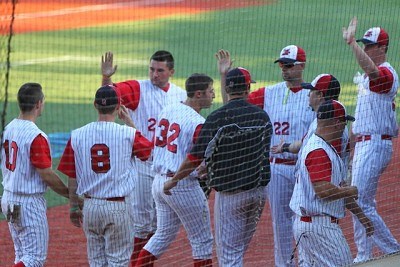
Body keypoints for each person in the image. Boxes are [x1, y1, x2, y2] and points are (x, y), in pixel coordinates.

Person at [216, 47, 315, 266]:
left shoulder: (314, 94)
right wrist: (224, 76)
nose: (284, 70)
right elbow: (232, 110)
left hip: (305, 169)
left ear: (302, 66)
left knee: (309, 222)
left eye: (288, 65)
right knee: (281, 225)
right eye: (282, 65)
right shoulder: (268, 93)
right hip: (277, 169)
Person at [164, 67, 272, 267]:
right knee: (237, 251)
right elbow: (260, 152)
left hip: (231, 196)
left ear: (227, 89)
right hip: (258, 195)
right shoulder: (262, 117)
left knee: (229, 256)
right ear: (247, 88)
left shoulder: (216, 118)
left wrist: (174, 180)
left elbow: (194, 158)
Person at [101, 50, 187, 265]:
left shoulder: (180, 95)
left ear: (171, 72)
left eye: (160, 70)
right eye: (151, 69)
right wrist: (107, 78)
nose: (154, 74)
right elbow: (106, 96)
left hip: (168, 168)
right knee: (141, 223)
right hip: (142, 167)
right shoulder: (138, 89)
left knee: (159, 224)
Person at [57, 85, 153, 266]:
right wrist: (130, 122)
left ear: (95, 105)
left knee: (96, 262)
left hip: (90, 207)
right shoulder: (127, 134)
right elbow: (147, 151)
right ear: (118, 107)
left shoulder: (77, 135)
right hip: (117, 208)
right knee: (118, 261)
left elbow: (72, 174)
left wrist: (72, 207)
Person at [135, 73, 215, 267]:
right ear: (198, 94)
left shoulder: (169, 109)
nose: (213, 95)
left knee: (162, 235)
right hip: (180, 185)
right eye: (210, 91)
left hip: (159, 182)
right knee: (202, 241)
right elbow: (194, 157)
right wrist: (186, 174)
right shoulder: (197, 123)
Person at [342, 17, 400, 262]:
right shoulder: (368, 79)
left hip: (375, 144)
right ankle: (364, 254)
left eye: (369, 45)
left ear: (382, 48)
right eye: (364, 45)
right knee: (361, 201)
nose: (366, 48)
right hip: (365, 143)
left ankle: (391, 249)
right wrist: (350, 145)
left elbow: (372, 70)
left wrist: (352, 43)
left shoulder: (386, 74)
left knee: (360, 201)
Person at [289, 99, 374, 266]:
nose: (345, 127)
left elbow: (337, 189)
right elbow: (324, 191)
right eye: (344, 122)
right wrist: (351, 191)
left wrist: (361, 216)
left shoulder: (324, 148)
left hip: (310, 224)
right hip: (320, 228)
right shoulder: (319, 151)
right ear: (336, 123)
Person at [1, 83, 69, 267]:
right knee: (34, 258)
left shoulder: (8, 128)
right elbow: (46, 173)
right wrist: (69, 193)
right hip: (28, 205)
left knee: (21, 252)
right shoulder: (35, 136)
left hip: (9, 200)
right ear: (39, 104)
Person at [271, 74, 350, 172]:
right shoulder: (323, 121)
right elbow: (302, 143)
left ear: (320, 95)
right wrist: (285, 147)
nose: (308, 94)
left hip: (320, 180)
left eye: (311, 91)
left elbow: (324, 161)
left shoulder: (330, 126)